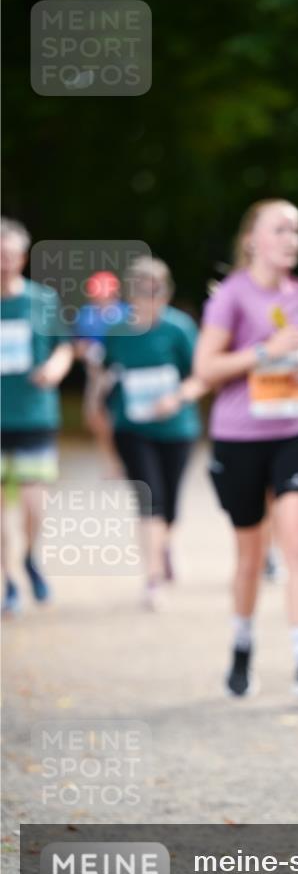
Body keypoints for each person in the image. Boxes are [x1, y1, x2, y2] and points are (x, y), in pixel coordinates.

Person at [194, 198, 298, 697]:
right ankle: (241, 646)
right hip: (239, 439)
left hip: (294, 432)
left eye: (297, 231)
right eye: (280, 230)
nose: (291, 240)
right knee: (250, 556)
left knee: (297, 543)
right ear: (253, 240)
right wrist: (265, 353)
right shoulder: (232, 297)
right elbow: (205, 369)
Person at [92, 256, 205, 610]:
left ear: (167, 293)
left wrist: (177, 397)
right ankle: (153, 579)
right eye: (143, 291)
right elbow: (105, 370)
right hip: (133, 428)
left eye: (157, 291)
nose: (150, 298)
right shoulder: (117, 331)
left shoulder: (180, 328)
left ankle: (165, 544)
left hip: (176, 429)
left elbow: (200, 376)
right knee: (149, 500)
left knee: (170, 505)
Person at [1, 218, 74, 613]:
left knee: (33, 506)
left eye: (9, 255)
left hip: (34, 417)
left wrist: (54, 370)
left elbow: (64, 347)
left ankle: (30, 557)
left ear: (22, 257)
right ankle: (9, 582)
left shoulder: (41, 300)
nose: (4, 263)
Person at [74, 271, 127, 478]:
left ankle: (123, 460)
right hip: (96, 373)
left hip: (119, 372)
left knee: (120, 418)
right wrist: (87, 351)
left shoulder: (126, 313)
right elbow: (77, 345)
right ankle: (113, 462)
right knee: (94, 417)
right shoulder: (85, 314)